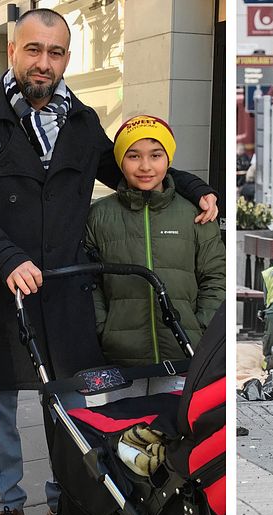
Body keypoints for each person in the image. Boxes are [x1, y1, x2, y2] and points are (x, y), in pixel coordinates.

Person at [0, 9, 218, 515]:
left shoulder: (82, 121)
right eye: (34, 50)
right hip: (5, 289)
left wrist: (192, 185)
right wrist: (5, 258)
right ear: (14, 51)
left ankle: (65, 493)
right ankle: (7, 506)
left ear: (66, 58)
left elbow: (133, 168)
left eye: (56, 52)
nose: (44, 63)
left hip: (66, 291)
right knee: (0, 407)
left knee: (68, 403)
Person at [86, 114, 225, 392]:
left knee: (176, 432)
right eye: (134, 156)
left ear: (168, 158)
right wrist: (104, 330)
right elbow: (90, 283)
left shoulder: (195, 214)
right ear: (120, 161)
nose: (146, 166)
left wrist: (199, 328)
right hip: (120, 359)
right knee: (128, 433)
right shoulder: (99, 215)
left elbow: (216, 276)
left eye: (156, 155)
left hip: (184, 354)